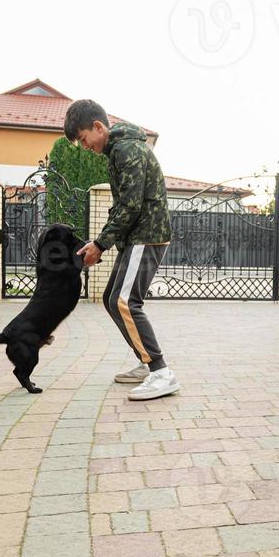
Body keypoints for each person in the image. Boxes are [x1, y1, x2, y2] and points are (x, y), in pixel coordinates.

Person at [66, 99, 180, 400]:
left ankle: (161, 372)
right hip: (137, 236)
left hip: (148, 234)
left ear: (98, 127)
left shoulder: (128, 150)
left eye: (82, 138)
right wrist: (103, 242)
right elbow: (125, 206)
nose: (84, 146)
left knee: (125, 301)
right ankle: (146, 364)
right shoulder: (118, 150)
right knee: (111, 298)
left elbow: (130, 205)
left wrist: (100, 244)